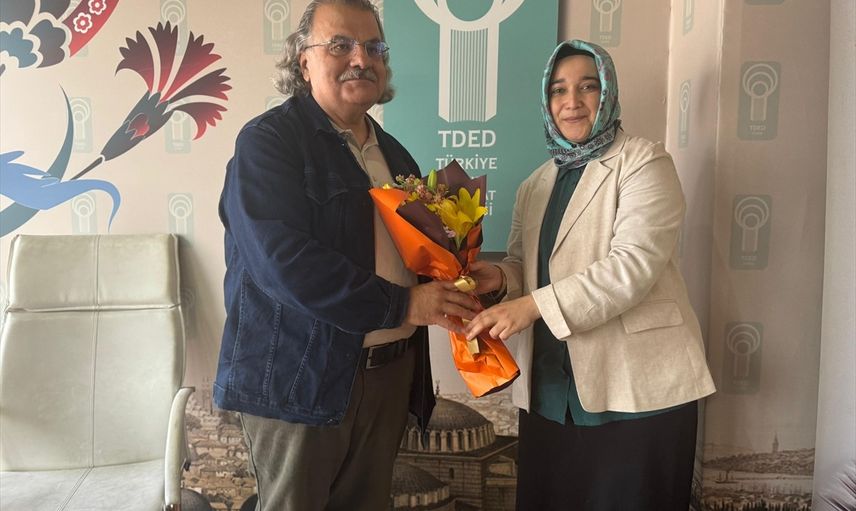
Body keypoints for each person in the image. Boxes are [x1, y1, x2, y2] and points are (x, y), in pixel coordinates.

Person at [213, 1, 477, 510]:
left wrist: (459, 277)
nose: (361, 58)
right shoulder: (268, 143)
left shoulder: (395, 155)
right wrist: (405, 305)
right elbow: (283, 263)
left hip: (388, 377)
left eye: (374, 47)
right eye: (340, 45)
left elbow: (415, 257)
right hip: (299, 380)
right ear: (303, 61)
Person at [465, 39, 716, 510]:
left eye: (587, 86)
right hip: (550, 392)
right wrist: (497, 279)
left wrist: (531, 306)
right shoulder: (535, 184)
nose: (572, 101)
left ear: (608, 93)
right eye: (559, 90)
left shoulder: (644, 161)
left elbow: (632, 266)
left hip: (637, 392)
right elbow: (525, 265)